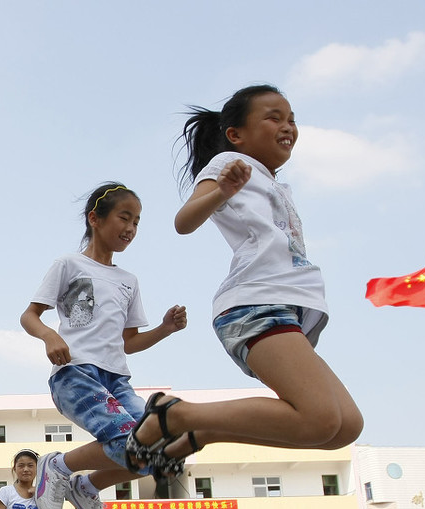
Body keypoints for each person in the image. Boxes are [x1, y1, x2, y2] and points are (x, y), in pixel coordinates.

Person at [120, 84, 363, 469]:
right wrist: (223, 190)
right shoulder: (228, 165)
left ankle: (199, 432)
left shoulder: (272, 182)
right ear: (235, 135)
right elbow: (184, 221)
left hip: (286, 306)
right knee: (320, 417)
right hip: (256, 302)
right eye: (274, 117)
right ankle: (173, 414)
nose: (288, 126)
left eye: (292, 119)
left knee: (344, 428)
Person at [21, 182, 187, 509]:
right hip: (75, 373)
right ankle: (58, 466)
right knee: (128, 438)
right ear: (95, 218)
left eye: (137, 222)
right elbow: (29, 316)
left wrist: (165, 328)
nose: (130, 228)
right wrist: (50, 335)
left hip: (117, 379)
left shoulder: (129, 280)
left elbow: (129, 342)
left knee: (157, 448)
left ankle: (87, 486)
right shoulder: (69, 264)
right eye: (124, 218)